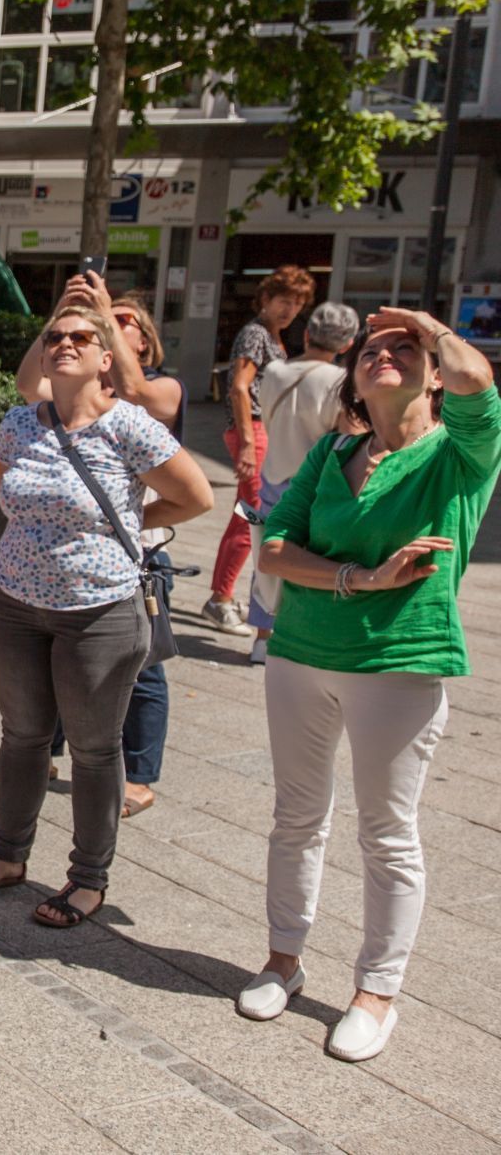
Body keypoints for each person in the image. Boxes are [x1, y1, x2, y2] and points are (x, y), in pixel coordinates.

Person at [238, 306, 498, 1063]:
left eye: (405, 348)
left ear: (434, 373)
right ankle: (283, 957)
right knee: (296, 816)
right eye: (371, 348)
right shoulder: (332, 452)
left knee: (387, 832)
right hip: (300, 653)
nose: (384, 353)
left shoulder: (461, 452)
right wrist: (361, 576)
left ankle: (377, 991)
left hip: (398, 661)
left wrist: (422, 319)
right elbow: (276, 551)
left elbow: (481, 379)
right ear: (352, 374)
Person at [0, 301, 211, 930]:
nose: (63, 342)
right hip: (14, 604)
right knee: (22, 737)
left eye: (80, 337)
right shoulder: (19, 424)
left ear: (106, 359)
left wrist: (127, 522)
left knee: (96, 752)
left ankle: (87, 878)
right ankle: (8, 855)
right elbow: (10, 496)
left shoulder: (131, 426)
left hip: (99, 611)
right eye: (54, 335)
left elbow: (196, 496)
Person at [18, 281, 187, 818]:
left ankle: (139, 771)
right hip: (61, 571)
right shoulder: (66, 396)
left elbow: (137, 394)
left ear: (136, 343)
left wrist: (102, 311)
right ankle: (49, 746)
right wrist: (61, 314)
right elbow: (27, 385)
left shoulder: (161, 391)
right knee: (60, 663)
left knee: (142, 668)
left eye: (119, 321)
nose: (95, 324)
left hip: (139, 557)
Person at [243, 302, 363, 664]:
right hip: (313, 483)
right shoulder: (341, 381)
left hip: (273, 473)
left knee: (267, 554)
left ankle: (262, 638)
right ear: (347, 345)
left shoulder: (275, 370)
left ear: (307, 333)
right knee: (309, 559)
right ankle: (299, 631)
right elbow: (349, 434)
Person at [204, 264, 316, 635]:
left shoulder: (272, 335)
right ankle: (220, 599)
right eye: (284, 300)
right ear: (265, 299)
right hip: (253, 428)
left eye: (297, 303)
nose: (290, 309)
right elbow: (239, 386)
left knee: (248, 515)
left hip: (263, 428)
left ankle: (221, 595)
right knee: (254, 516)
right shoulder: (256, 334)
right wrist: (248, 444)